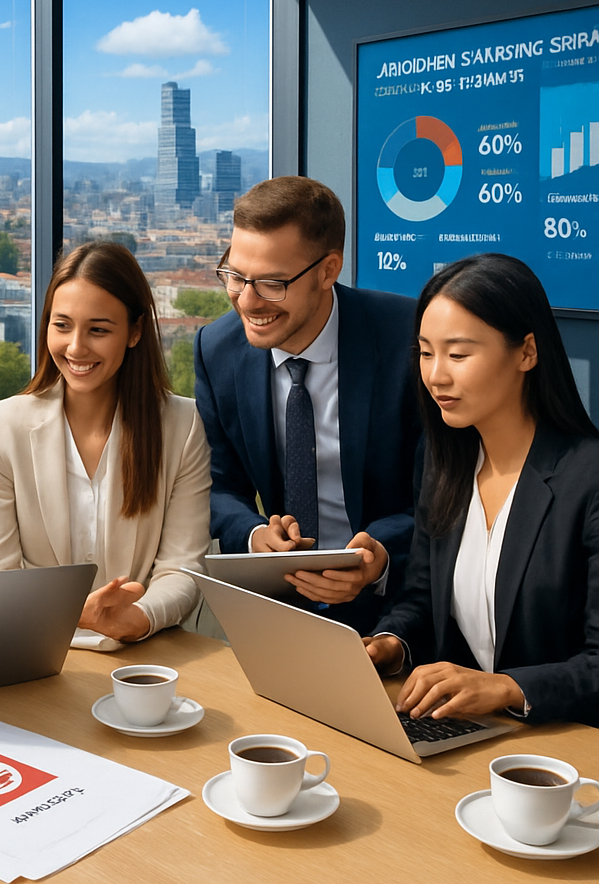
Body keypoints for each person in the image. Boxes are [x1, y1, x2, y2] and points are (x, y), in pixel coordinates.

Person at [365, 253, 599, 726]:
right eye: (426, 353)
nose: (436, 375)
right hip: (468, 735)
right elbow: (423, 598)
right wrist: (390, 645)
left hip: (560, 751)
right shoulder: (443, 460)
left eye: (458, 354)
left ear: (527, 352)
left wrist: (507, 687)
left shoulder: (587, 478)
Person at [193, 176, 421, 633]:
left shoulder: (409, 340)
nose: (248, 301)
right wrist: (256, 536)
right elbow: (216, 485)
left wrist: (377, 556)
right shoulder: (217, 348)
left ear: (327, 270)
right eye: (235, 276)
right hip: (280, 604)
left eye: (272, 283)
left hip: (402, 601)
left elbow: (447, 491)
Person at [0, 241, 211, 644]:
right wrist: (63, 615)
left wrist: (139, 617)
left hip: (141, 655)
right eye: (61, 325)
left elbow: (183, 568)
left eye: (98, 329)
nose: (76, 347)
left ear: (135, 332)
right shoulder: (0, 425)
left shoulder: (181, 425)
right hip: (31, 649)